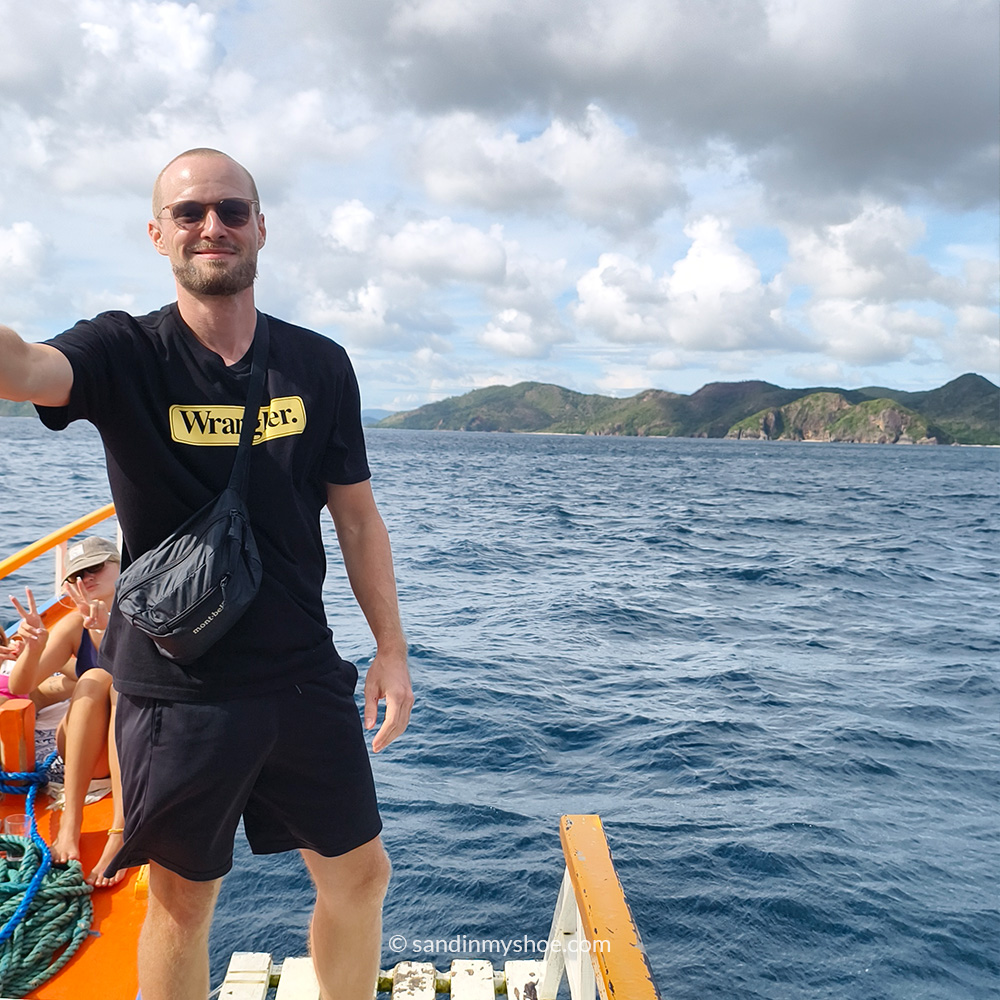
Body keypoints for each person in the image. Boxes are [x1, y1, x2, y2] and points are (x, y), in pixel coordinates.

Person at [0, 148, 413, 1000]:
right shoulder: (124, 351)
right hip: (178, 687)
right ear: (158, 234)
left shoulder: (320, 364)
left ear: (262, 228)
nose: (211, 226)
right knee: (184, 902)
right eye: (189, 213)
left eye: (231, 209)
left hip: (301, 672)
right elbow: (24, 370)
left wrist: (392, 649)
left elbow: (358, 516)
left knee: (361, 876)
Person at [7, 536, 129, 888]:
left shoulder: (146, 615)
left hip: (128, 747)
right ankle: (69, 827)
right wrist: (33, 648)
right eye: (76, 576)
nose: (85, 579)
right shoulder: (74, 625)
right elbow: (19, 687)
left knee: (117, 683)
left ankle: (119, 832)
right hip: (83, 752)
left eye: (95, 568)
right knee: (93, 678)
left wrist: (109, 631)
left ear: (120, 566)